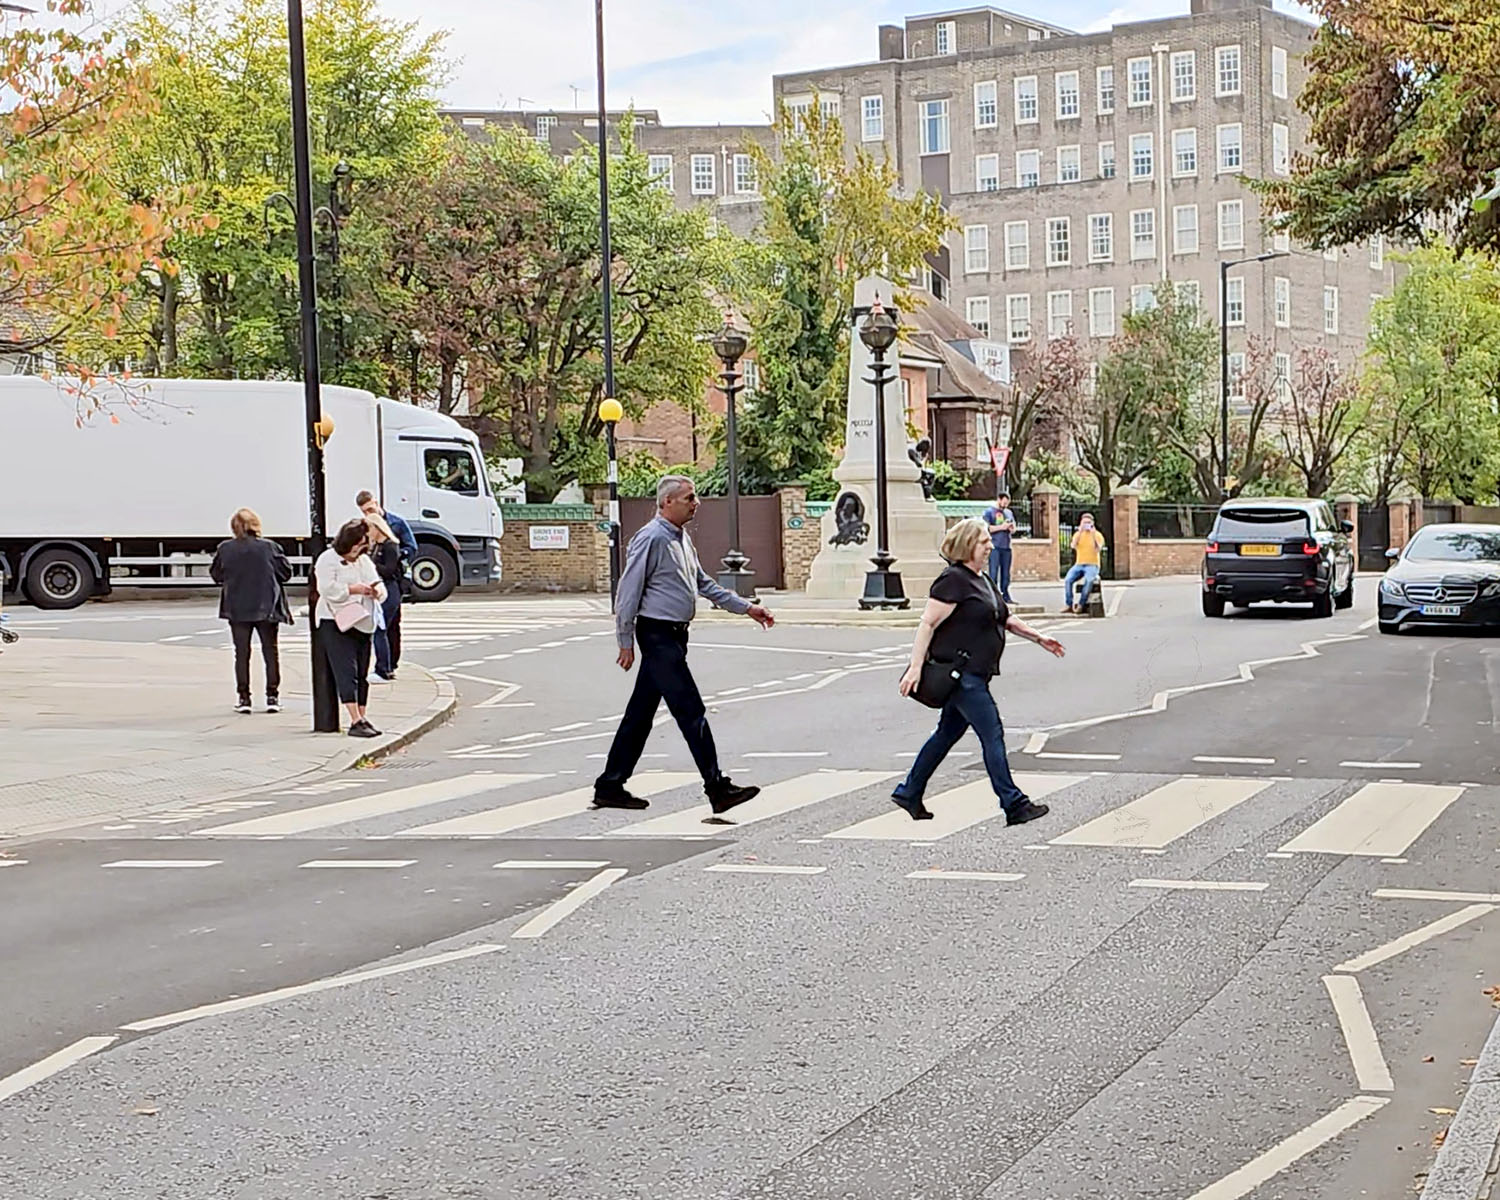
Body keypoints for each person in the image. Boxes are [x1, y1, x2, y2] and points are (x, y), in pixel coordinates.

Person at [595, 474, 776, 813]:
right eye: (689, 498)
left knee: (640, 714)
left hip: (676, 636)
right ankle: (717, 787)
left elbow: (704, 584)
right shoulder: (650, 538)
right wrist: (625, 640)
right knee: (691, 711)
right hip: (657, 635)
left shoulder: (681, 539)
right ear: (666, 502)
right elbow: (628, 592)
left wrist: (747, 608)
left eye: (695, 497)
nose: (697, 503)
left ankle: (610, 784)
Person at [895, 517, 1065, 825]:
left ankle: (909, 791)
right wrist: (915, 668)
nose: (989, 545)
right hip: (962, 676)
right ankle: (1014, 804)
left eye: (988, 540)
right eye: (983, 541)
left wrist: (1039, 637)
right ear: (967, 545)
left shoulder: (982, 580)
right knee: (993, 734)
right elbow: (928, 623)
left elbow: (1005, 618)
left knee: (946, 734)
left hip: (975, 673)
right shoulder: (953, 580)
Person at [211, 508, 293, 714]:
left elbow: (217, 574)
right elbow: (285, 573)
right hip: (266, 606)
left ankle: (244, 697)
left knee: (242, 653)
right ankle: (272, 697)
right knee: (270, 651)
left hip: (237, 607)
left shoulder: (225, 548)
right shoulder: (269, 547)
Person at [313, 518, 386, 738]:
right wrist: (353, 589)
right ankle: (354, 718)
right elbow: (327, 589)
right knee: (346, 670)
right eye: (357, 545)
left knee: (362, 671)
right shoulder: (328, 560)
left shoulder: (363, 561)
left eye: (362, 546)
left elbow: (377, 582)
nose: (358, 551)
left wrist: (377, 592)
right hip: (335, 620)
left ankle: (363, 717)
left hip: (362, 620)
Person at [356, 490, 416, 673]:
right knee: (387, 625)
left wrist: (397, 557)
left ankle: (388, 665)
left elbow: (412, 547)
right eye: (364, 511)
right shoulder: (369, 529)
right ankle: (388, 664)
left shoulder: (396, 524)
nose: (368, 513)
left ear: (376, 502)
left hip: (394, 582)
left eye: (370, 508)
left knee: (389, 626)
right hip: (382, 584)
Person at [363, 513, 404, 682]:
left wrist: (371, 566)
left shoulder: (390, 545)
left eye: (369, 529)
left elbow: (389, 569)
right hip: (384, 588)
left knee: (380, 629)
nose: (368, 533)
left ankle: (383, 669)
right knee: (382, 629)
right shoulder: (378, 546)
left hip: (389, 589)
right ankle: (386, 667)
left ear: (377, 528)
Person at [1064, 513, 1107, 613]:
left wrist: (1092, 534)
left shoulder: (1097, 535)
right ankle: (1069, 604)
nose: (1086, 525)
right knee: (1068, 580)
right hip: (1079, 564)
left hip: (1092, 564)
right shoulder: (1078, 535)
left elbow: (1098, 548)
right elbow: (1073, 546)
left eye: (1088, 523)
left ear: (1093, 523)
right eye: (1084, 523)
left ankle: (1081, 604)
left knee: (1089, 581)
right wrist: (1080, 532)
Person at [982, 491, 1018, 603]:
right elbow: (987, 528)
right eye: (1004, 503)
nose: (1005, 505)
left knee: (1006, 573)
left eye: (1007, 503)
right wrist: (1002, 527)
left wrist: (1011, 528)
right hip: (995, 545)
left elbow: (1014, 529)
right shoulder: (989, 512)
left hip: (1006, 546)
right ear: (999, 500)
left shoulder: (1008, 513)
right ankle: (992, 596)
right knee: (993, 572)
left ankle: (1005, 595)